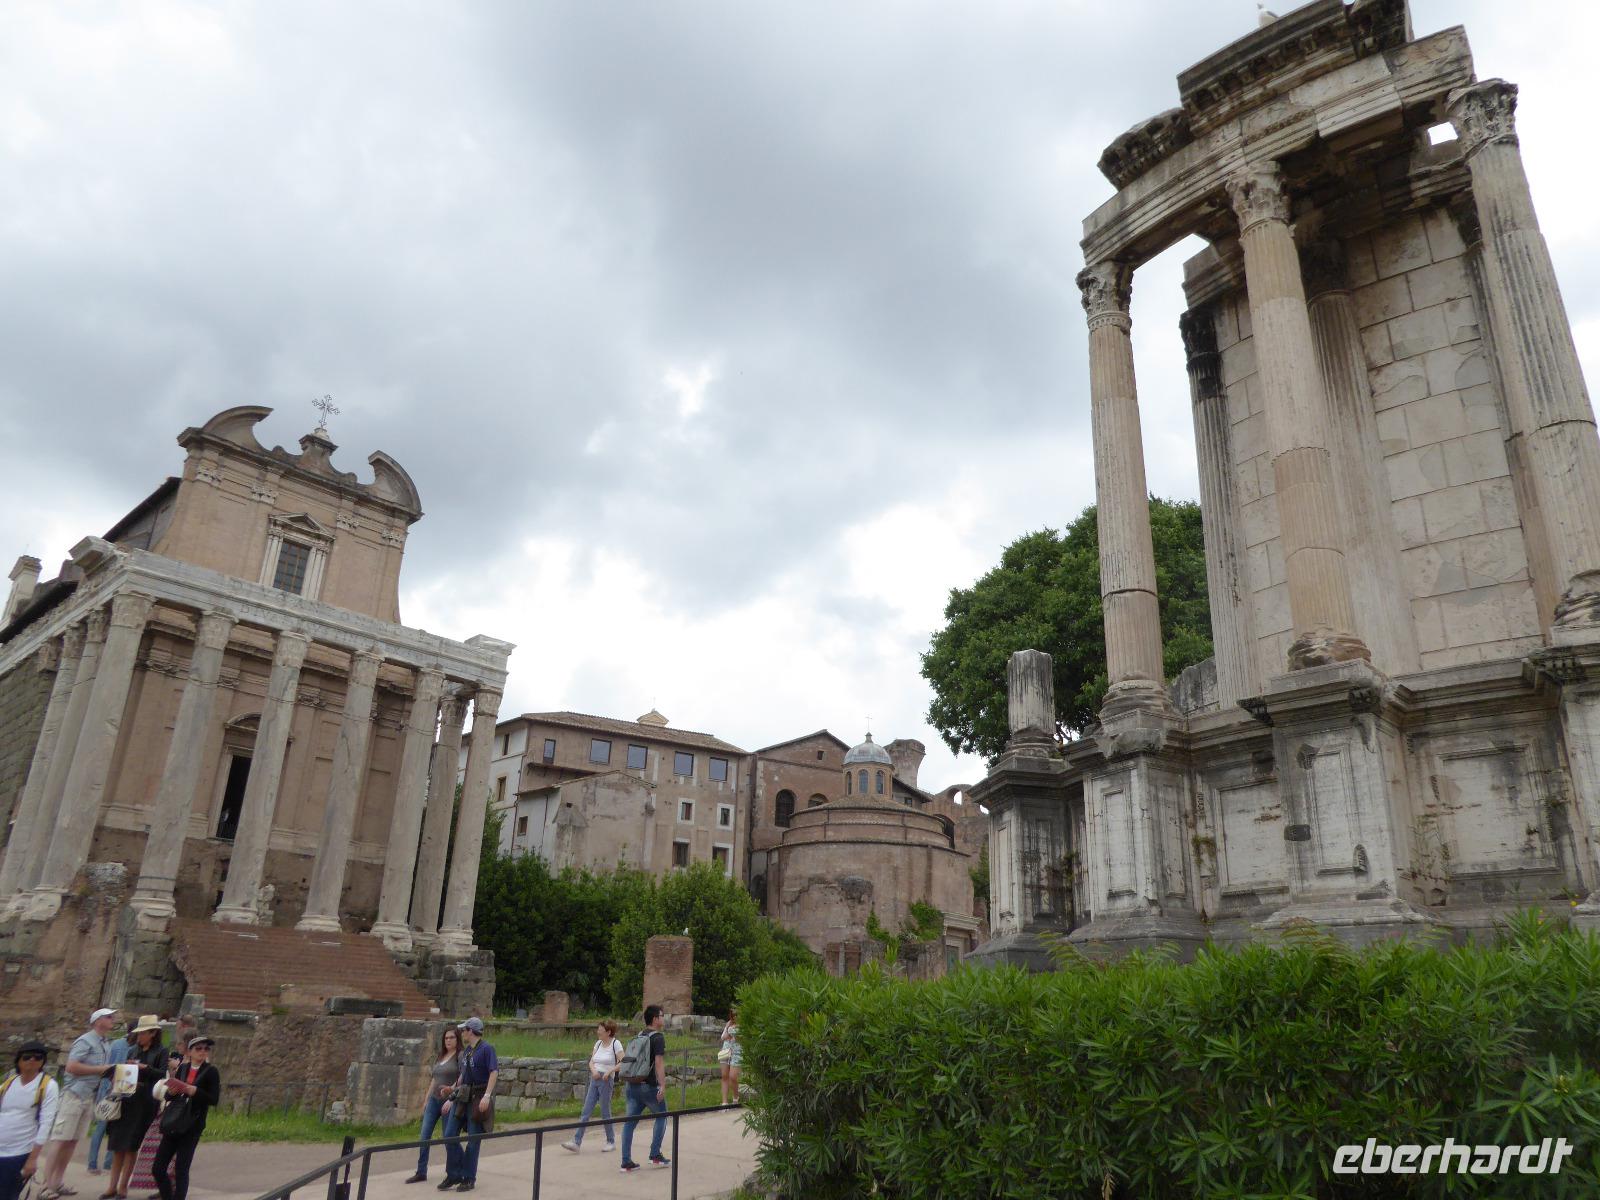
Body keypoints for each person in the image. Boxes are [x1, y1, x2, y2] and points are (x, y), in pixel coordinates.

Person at [39, 1007, 119, 1200]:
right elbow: (71, 1066)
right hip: (74, 1095)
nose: (112, 1020)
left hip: (89, 1096)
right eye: (109, 1017)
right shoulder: (85, 1040)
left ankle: (57, 1182)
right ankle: (45, 1185)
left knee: (72, 1141)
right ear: (98, 1020)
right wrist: (101, 1069)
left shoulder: (105, 1043)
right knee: (60, 1140)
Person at [150, 1036, 219, 1200]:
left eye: (206, 1049)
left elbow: (213, 1099)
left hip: (192, 1123)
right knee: (158, 1168)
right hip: (175, 1120)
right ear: (190, 1052)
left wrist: (194, 1091)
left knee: (181, 1168)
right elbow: (170, 1096)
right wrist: (171, 1092)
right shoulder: (183, 1068)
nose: (203, 1051)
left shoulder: (211, 1071)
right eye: (199, 1048)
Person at [102, 1017, 164, 1200]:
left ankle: (123, 1188)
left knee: (131, 1146)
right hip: (126, 1099)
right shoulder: (132, 1049)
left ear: (152, 1033)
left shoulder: (161, 1051)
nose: (139, 1036)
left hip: (144, 1103)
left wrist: (145, 1068)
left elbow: (161, 1074)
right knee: (117, 1144)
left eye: (143, 1033)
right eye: (138, 1033)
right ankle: (112, 1186)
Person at [441, 1018, 496, 1193]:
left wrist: (487, 1096)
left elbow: (493, 1072)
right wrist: (452, 1093)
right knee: (450, 1135)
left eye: (464, 1030)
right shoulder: (466, 1052)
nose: (462, 1033)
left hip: (478, 1096)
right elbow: (463, 1076)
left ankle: (469, 1177)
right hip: (463, 1096)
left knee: (473, 1140)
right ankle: (455, 1173)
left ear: (471, 1031)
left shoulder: (486, 1049)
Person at [0, 1042, 60, 1200]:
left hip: (19, 1151)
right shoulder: (9, 1083)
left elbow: (46, 1124)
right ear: (19, 1061)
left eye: (38, 1057)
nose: (32, 1060)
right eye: (27, 1057)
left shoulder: (48, 1086)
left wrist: (32, 1160)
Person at [403, 1026, 461, 1184]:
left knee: (448, 1137)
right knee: (424, 1136)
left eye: (452, 1038)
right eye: (446, 1038)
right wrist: (426, 1099)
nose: (448, 1040)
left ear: (457, 1039)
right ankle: (421, 1171)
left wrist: (453, 1093)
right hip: (435, 1100)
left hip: (449, 1101)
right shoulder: (441, 1056)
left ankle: (454, 1171)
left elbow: (462, 1078)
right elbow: (434, 1079)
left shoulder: (460, 1056)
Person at [618, 1005, 668, 1174]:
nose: (664, 1018)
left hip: (632, 1085)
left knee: (629, 1123)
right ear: (655, 1019)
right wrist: (662, 1085)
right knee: (662, 1116)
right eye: (662, 1015)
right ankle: (655, 1154)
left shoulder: (640, 1035)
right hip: (649, 1086)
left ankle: (625, 1161)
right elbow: (659, 1063)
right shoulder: (658, 1038)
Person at [560, 1020, 624, 1154]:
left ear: (608, 1032)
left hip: (606, 1080)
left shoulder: (615, 1044)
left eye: (600, 1029)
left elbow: (623, 1062)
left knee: (605, 1111)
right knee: (586, 1110)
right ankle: (576, 1142)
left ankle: (610, 1141)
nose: (598, 1031)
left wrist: (609, 1071)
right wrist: (594, 1071)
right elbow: (591, 1061)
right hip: (594, 1079)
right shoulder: (598, 1043)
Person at [128, 1051, 182, 1197]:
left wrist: (176, 1067)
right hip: (165, 1109)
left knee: (175, 1158)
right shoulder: (173, 1057)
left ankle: (172, 1188)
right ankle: (163, 1188)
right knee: (159, 1156)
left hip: (177, 1114)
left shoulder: (186, 1062)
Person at [86, 1023, 133, 1179]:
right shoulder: (127, 1047)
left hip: (110, 1088)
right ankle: (102, 1163)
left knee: (105, 1127)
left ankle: (98, 1163)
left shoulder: (116, 1044)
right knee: (109, 1127)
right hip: (117, 1089)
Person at [719, 1008, 741, 1106]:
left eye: (736, 1014)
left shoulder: (744, 1025)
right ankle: (724, 1102)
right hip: (726, 1050)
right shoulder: (729, 1023)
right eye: (733, 1015)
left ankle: (736, 1097)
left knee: (733, 1076)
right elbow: (723, 1037)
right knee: (724, 1076)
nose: (735, 1016)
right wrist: (729, 1033)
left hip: (737, 1051)